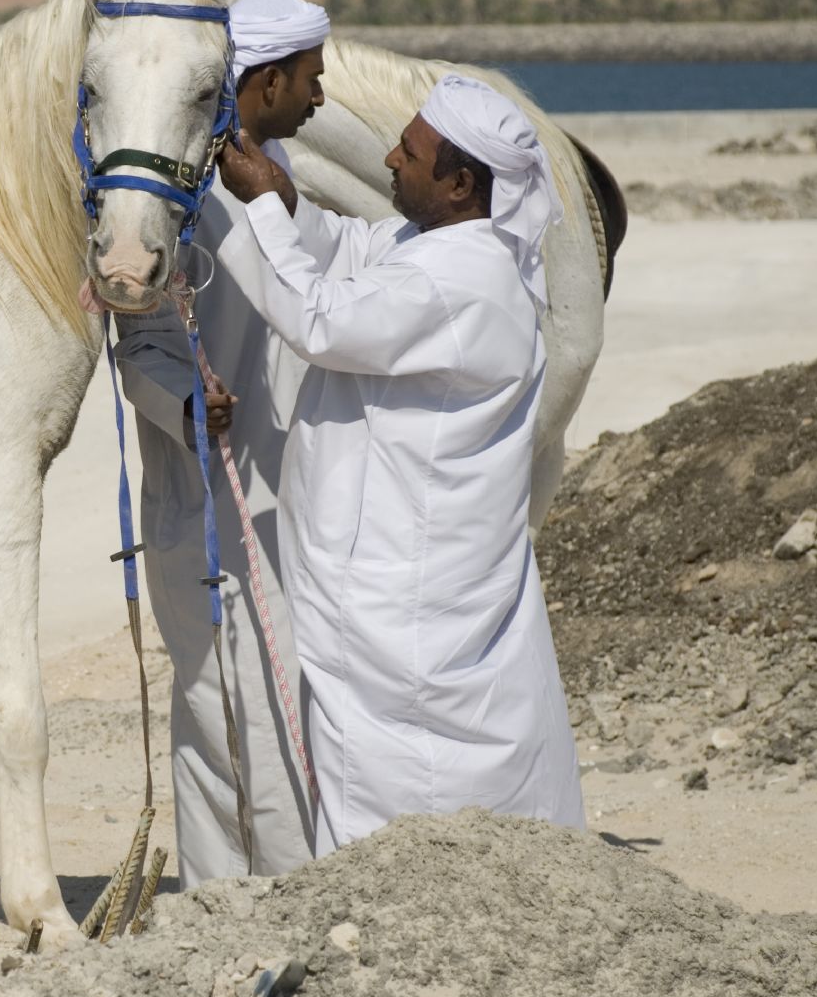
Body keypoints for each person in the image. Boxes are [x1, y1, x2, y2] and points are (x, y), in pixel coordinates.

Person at [213, 71, 585, 853]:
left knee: (409, 789)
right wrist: (284, 202)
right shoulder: (440, 245)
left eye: (409, 153)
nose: (388, 157)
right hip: (406, 585)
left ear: (458, 183)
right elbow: (352, 249)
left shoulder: (462, 284)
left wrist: (253, 209)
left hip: (409, 603)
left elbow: (317, 319)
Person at [110, 0, 330, 884]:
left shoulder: (274, 178)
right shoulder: (174, 200)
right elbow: (136, 350)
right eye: (310, 79)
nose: (320, 97)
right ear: (264, 80)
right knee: (217, 716)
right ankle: (231, 907)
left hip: (292, 505)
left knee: (287, 712)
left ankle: (293, 892)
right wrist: (189, 404)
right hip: (202, 505)